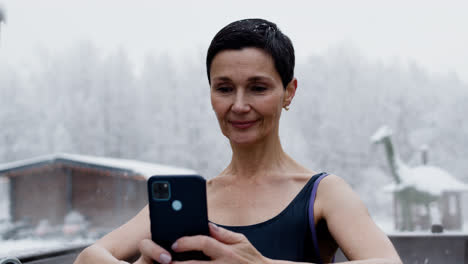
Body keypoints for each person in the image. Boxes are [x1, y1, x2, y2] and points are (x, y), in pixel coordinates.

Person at [74, 18, 402, 264]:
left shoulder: (322, 194)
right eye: (225, 88)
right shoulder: (192, 199)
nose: (239, 105)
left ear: (289, 92)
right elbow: (90, 257)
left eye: (258, 88)